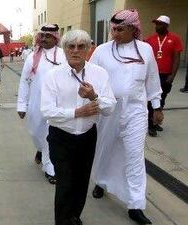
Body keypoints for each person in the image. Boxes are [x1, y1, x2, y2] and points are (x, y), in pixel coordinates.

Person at [89, 9, 163, 224]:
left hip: (136, 113)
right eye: (113, 29)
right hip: (107, 112)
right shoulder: (102, 51)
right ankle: (101, 182)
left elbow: (152, 81)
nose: (115, 33)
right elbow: (90, 78)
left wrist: (157, 107)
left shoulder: (145, 50)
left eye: (120, 29)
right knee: (104, 149)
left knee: (134, 157)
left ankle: (135, 204)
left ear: (133, 28)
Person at [41, 29, 116, 225]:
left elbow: (110, 108)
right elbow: (47, 111)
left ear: (89, 49)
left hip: (86, 137)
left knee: (81, 182)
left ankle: (74, 217)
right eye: (70, 47)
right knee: (65, 183)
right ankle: (64, 221)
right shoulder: (53, 76)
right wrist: (77, 112)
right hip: (61, 137)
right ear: (64, 49)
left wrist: (93, 97)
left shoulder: (99, 74)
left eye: (81, 46)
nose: (75, 51)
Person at [17, 24, 66, 184]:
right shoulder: (32, 56)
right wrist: (21, 105)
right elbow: (24, 81)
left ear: (55, 38)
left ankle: (50, 167)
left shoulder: (63, 55)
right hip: (36, 103)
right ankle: (39, 149)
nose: (44, 39)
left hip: (57, 104)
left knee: (50, 136)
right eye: (42, 36)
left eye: (48, 36)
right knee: (36, 132)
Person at [145, 15, 183, 136]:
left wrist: (172, 76)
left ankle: (155, 122)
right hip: (152, 75)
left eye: (160, 24)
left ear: (166, 26)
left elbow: (177, 58)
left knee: (162, 99)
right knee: (152, 100)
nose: (157, 26)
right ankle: (151, 125)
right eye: (156, 24)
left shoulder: (175, 38)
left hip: (166, 75)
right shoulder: (150, 39)